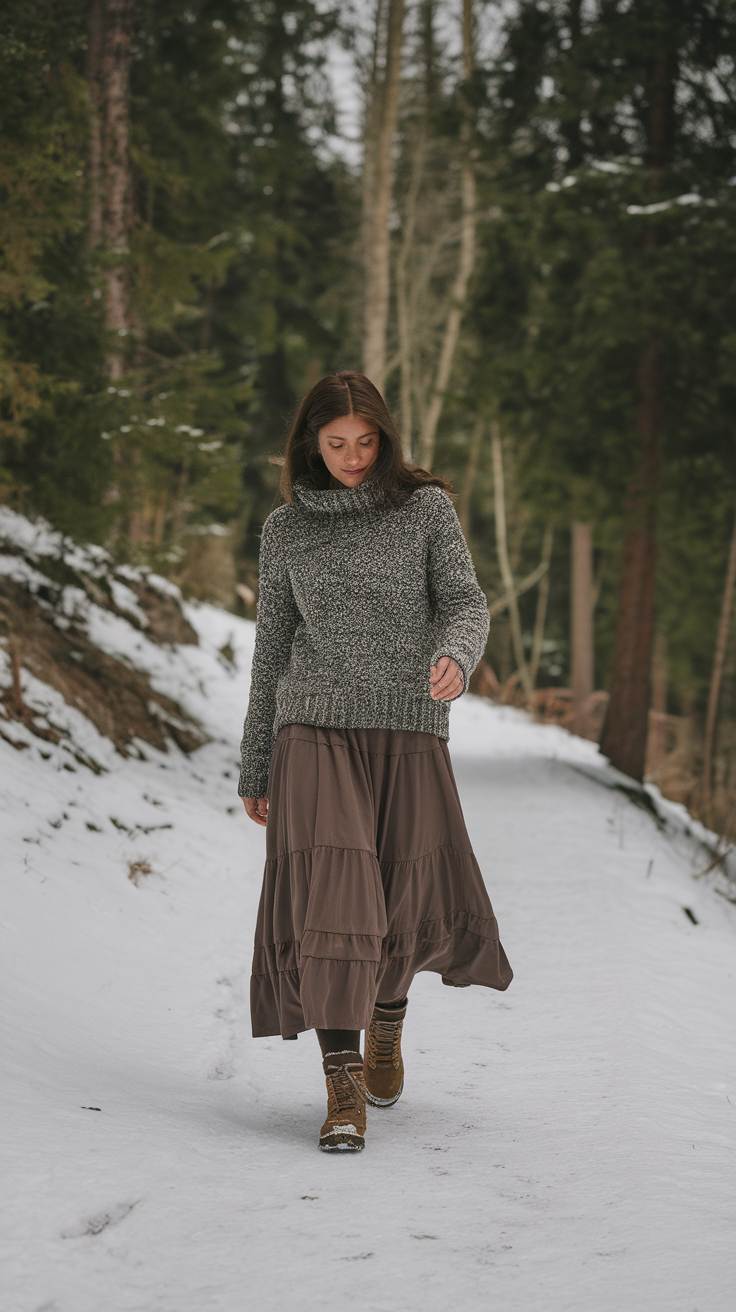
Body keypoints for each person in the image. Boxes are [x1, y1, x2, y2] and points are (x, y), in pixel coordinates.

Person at [239, 371, 512, 1153]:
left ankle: (386, 1022)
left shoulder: (424, 510)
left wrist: (457, 656)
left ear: (386, 439)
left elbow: (465, 600)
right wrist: (256, 764)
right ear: (309, 443)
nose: (352, 457)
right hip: (313, 726)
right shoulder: (285, 530)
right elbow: (270, 652)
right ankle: (342, 1083)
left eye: (365, 443)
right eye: (335, 444)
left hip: (408, 726)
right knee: (335, 899)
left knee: (396, 891)